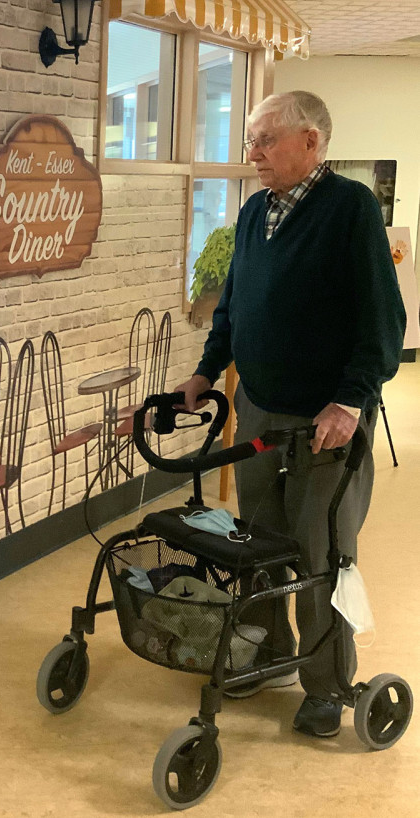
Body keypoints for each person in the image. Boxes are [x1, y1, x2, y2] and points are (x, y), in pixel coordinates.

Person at [176, 90, 406, 738]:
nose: (253, 153)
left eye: (266, 140)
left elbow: (383, 320)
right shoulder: (252, 214)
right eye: (251, 140)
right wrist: (205, 368)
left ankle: (327, 683)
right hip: (259, 409)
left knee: (322, 551)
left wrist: (350, 399)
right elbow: (233, 309)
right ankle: (275, 651)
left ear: (311, 141)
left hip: (325, 421)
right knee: (259, 540)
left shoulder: (351, 210)